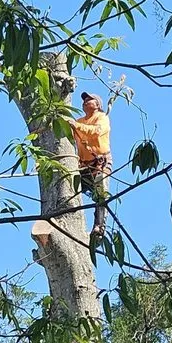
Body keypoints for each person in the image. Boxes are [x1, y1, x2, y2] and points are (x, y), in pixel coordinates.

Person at [68, 92, 111, 239]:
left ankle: (99, 227)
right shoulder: (80, 120)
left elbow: (96, 132)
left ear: (98, 104)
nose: (85, 101)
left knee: (101, 195)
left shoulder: (102, 118)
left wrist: (76, 126)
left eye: (89, 99)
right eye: (84, 100)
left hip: (99, 163)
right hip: (83, 165)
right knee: (71, 190)